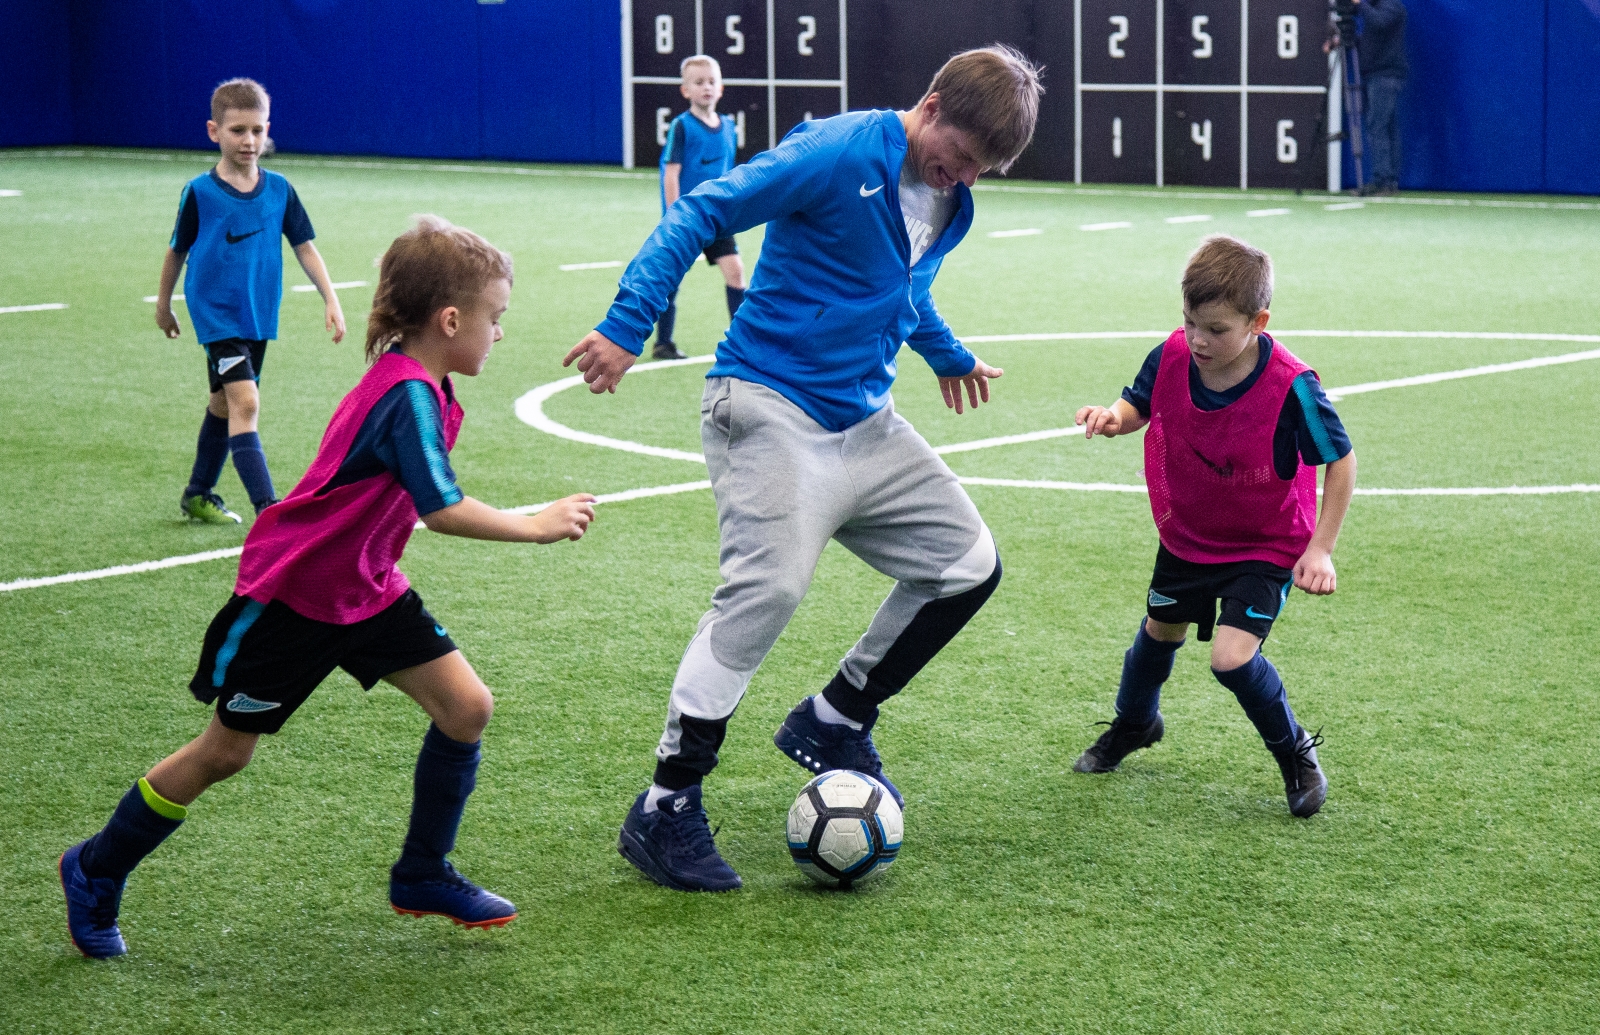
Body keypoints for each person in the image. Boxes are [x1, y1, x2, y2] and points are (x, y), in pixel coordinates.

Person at [564, 46, 1043, 891]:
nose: (963, 176)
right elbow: (703, 210)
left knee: (969, 565)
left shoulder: (949, 197)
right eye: (960, 155)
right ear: (929, 104)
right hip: (766, 405)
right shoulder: (835, 151)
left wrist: (947, 353)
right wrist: (628, 322)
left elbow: (905, 283)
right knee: (769, 589)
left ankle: (835, 715)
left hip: (865, 421)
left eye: (981, 168)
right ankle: (664, 806)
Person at [60, 217, 598, 958]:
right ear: (449, 320)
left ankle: (421, 870)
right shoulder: (406, 394)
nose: (498, 334)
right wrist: (535, 523)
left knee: (466, 706)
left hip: (367, 588)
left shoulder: (428, 386)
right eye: (494, 318)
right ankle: (93, 866)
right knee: (225, 752)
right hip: (298, 596)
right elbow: (441, 509)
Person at [1071, 235, 1356, 818]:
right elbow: (1138, 405)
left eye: (1217, 330)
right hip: (1191, 532)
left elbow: (1341, 459)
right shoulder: (1172, 354)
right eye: (1189, 322)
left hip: (1266, 543)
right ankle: (1136, 723)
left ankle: (1295, 753)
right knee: (1160, 631)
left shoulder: (1293, 386)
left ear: (1259, 321)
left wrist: (1321, 549)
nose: (1198, 339)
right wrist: (1111, 418)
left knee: (1230, 658)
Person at [155, 77, 347, 524]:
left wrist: (331, 299)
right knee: (246, 403)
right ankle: (270, 511)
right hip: (216, 316)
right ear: (213, 131)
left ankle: (198, 493)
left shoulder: (279, 189)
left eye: (258, 130)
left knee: (223, 405)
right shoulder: (200, 193)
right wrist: (164, 304)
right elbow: (176, 250)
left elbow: (304, 246)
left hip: (258, 314)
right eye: (238, 130)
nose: (249, 140)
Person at [650, 55, 746, 360]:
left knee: (735, 272)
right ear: (685, 91)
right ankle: (663, 342)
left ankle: (743, 342)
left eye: (711, 82)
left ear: (721, 88)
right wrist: (675, 215)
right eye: (698, 82)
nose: (706, 87)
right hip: (688, 218)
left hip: (718, 217)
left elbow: (728, 172)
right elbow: (672, 173)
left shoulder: (729, 126)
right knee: (672, 279)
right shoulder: (681, 127)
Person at [1357, 0, 1407, 195]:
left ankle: (1382, 180)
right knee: (1387, 128)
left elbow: (1379, 23)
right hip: (1375, 74)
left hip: (1385, 75)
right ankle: (1388, 180)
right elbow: (1373, 39)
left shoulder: (1392, 6)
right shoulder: (1376, 8)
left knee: (1377, 126)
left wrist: (1359, 4)